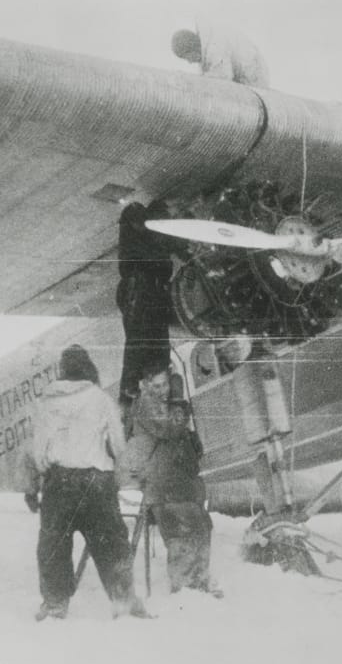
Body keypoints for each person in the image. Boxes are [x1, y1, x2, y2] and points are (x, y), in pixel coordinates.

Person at [21, 345, 152, 621]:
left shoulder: (47, 401)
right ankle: (125, 601)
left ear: (63, 370)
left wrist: (41, 480)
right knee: (112, 543)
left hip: (59, 482)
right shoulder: (101, 399)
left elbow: (37, 450)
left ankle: (55, 604)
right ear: (88, 368)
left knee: (53, 545)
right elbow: (118, 445)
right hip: (97, 482)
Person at [131, 361, 221, 598]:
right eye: (157, 386)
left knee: (201, 527)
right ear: (145, 385)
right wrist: (179, 402)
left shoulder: (166, 406)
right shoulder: (146, 403)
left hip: (181, 486)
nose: (163, 390)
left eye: (165, 385)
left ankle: (199, 584)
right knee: (182, 535)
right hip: (165, 488)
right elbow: (168, 428)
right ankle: (186, 592)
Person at [117, 199, 176, 415]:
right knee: (153, 253)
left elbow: (133, 346)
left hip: (139, 290)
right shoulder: (160, 363)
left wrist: (127, 390)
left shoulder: (139, 369)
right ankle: (152, 215)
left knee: (139, 250)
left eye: (159, 387)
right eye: (163, 387)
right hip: (149, 290)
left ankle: (138, 216)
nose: (163, 389)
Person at [171, 24, 270, 88]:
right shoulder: (206, 54)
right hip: (243, 80)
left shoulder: (215, 46)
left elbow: (223, 77)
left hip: (253, 79)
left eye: (187, 57)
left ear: (192, 48)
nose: (189, 62)